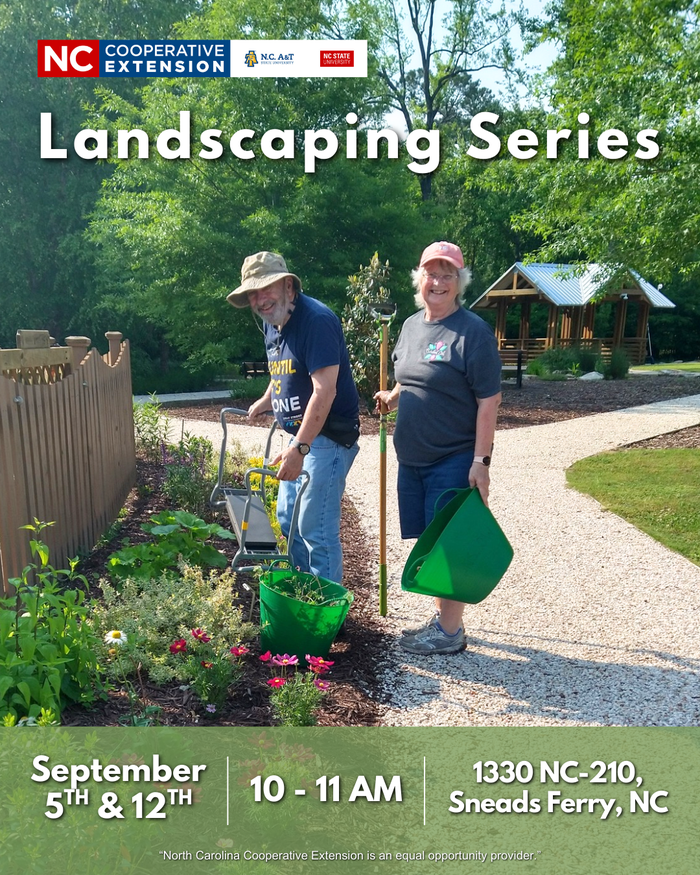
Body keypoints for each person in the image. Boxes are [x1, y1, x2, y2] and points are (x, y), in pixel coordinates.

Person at [374, 241, 502, 654]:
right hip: (411, 459)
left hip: (452, 457)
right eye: (432, 273)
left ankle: (449, 632)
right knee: (430, 542)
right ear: (420, 278)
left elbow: (489, 400)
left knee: (451, 544)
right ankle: (445, 622)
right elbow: (410, 377)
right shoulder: (411, 326)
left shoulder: (472, 332)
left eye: (448, 274)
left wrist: (481, 461)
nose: (439, 281)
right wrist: (392, 397)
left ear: (460, 282)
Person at [227, 251, 360, 583]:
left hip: (326, 439)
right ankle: (303, 592)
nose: (259, 299)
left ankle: (327, 614)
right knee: (289, 520)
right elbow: (284, 375)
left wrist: (300, 449)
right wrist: (265, 401)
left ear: (288, 285)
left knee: (315, 527)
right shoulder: (273, 322)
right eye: (252, 294)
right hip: (298, 438)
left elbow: (324, 391)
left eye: (266, 288)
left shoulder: (316, 321)